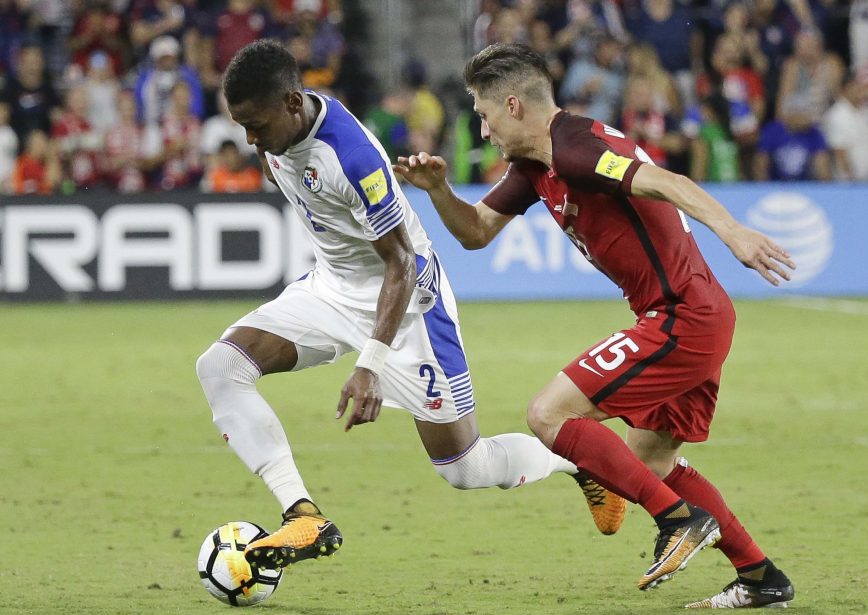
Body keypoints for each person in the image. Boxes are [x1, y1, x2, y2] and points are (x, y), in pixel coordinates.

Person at [196, 39, 625, 573]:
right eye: (240, 125)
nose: (249, 138)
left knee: (464, 467)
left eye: (255, 124)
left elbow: (399, 261)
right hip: (331, 289)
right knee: (221, 365)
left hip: (407, 304)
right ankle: (303, 514)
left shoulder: (351, 158)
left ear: (291, 102)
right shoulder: (272, 139)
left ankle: (579, 461)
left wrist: (369, 366)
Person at [394, 42, 797, 608]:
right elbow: (477, 231)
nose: (483, 132)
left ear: (513, 105)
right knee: (651, 460)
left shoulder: (577, 151)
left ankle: (678, 521)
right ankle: (760, 577)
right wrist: (438, 190)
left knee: (547, 413)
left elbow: (668, 182)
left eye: (484, 116)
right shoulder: (537, 165)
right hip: (696, 314)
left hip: (682, 317)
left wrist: (733, 231)